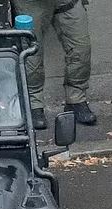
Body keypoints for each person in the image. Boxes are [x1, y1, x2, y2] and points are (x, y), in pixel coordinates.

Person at [11, 0, 95, 129]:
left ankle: (76, 100)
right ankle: (34, 106)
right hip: (30, 4)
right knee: (32, 55)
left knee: (81, 49)